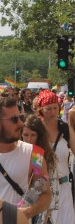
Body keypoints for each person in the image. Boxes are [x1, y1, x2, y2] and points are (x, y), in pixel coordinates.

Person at [0, 97, 51, 220]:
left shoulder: (35, 154)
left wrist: (26, 212)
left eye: (20, 117)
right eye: (15, 119)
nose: (21, 123)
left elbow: (45, 194)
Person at [35, 89, 75, 222]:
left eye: (55, 108)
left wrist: (70, 123)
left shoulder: (64, 128)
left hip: (64, 187)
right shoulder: (35, 130)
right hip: (43, 189)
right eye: (48, 109)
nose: (52, 112)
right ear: (41, 110)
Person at [21, 114, 58, 224]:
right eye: (25, 135)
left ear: (39, 136)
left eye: (33, 135)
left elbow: (39, 187)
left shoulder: (37, 155)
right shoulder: (17, 152)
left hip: (37, 212)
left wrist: (45, 217)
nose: (29, 139)